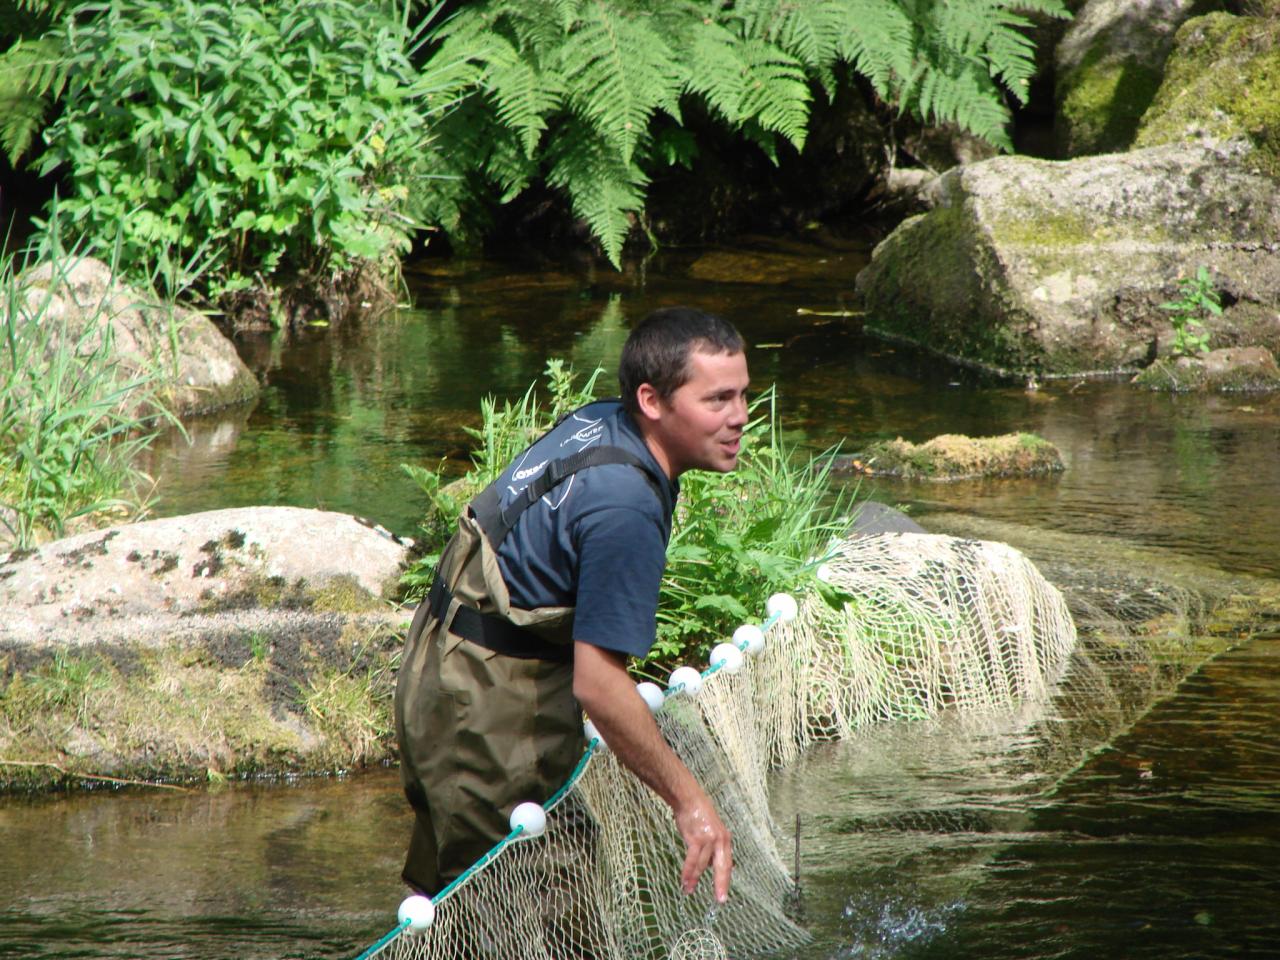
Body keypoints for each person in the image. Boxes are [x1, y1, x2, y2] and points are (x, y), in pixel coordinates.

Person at [394, 305, 748, 906]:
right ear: (652, 400)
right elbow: (600, 687)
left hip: (442, 666)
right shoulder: (625, 508)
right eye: (716, 400)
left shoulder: (604, 421)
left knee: (462, 899)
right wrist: (691, 803)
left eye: (742, 395)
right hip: (482, 708)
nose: (739, 417)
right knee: (541, 906)